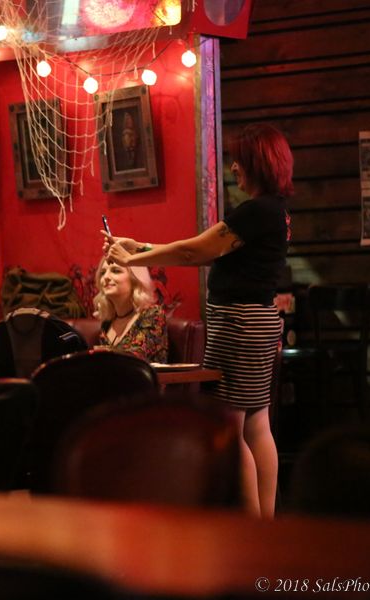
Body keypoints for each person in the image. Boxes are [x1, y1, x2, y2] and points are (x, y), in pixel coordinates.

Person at [102, 123, 292, 519]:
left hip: (238, 323)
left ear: (257, 162)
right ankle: (265, 525)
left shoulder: (255, 212)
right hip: (257, 320)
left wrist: (133, 258)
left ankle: (249, 530)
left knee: (229, 425)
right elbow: (200, 249)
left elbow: (195, 252)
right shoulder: (274, 211)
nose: (234, 167)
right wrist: (140, 247)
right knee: (257, 423)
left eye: (239, 160)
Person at [93, 257, 167, 363]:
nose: (106, 277)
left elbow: (136, 361)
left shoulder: (152, 314)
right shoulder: (107, 322)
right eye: (102, 272)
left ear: (135, 279)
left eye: (116, 271)